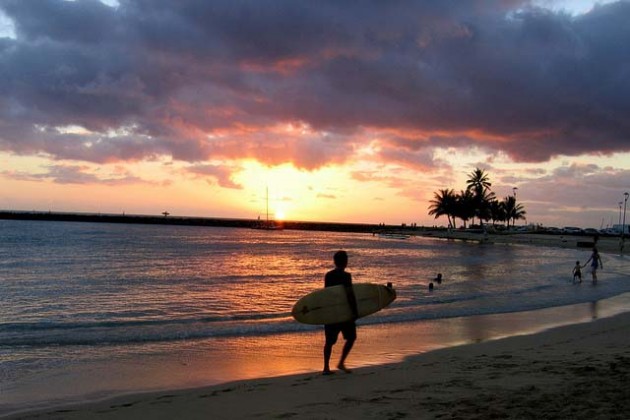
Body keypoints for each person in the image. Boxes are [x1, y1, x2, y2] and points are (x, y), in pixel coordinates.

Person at [323, 250, 358, 375]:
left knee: (329, 342)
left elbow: (327, 294)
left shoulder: (328, 275)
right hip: (344, 313)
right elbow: (349, 294)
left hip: (331, 312)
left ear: (334, 261)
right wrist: (355, 312)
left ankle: (326, 368)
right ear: (345, 262)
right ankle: (341, 362)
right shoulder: (346, 276)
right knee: (351, 338)